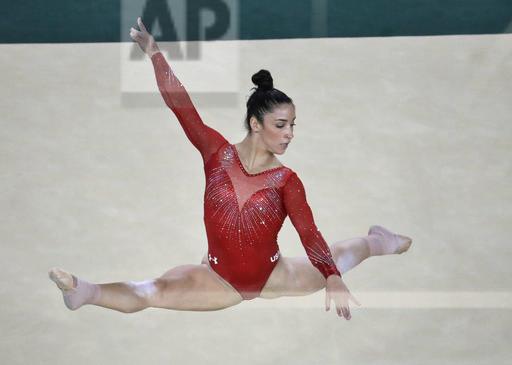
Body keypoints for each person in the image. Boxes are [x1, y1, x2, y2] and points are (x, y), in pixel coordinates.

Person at [49, 17, 412, 320]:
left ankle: (380, 240)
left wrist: (331, 276)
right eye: (281, 125)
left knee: (341, 256)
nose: (290, 135)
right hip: (217, 279)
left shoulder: (286, 181)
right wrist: (156, 55)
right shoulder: (216, 153)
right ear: (256, 124)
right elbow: (182, 107)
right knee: (152, 291)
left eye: (293, 125)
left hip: (272, 275)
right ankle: (84, 291)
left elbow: (308, 231)